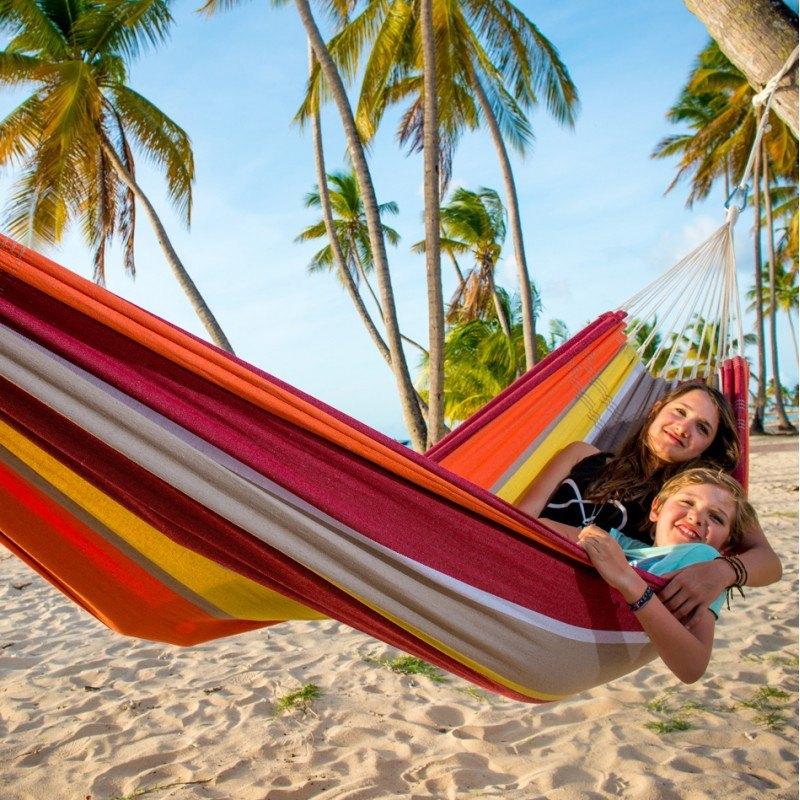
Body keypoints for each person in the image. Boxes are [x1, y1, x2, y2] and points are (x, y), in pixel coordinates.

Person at [516, 383, 781, 624]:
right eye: (680, 412)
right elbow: (516, 520)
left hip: (584, 614)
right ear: (657, 409)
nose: (683, 428)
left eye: (702, 428)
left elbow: (769, 563)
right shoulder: (580, 455)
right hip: (519, 577)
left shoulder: (685, 502)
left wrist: (724, 571)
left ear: (706, 448)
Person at [569, 468, 758, 683]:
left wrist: (631, 584)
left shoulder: (704, 559)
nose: (696, 517)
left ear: (727, 545)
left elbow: (692, 667)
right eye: (687, 502)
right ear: (656, 508)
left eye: (716, 517)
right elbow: (547, 531)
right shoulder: (623, 543)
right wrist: (589, 533)